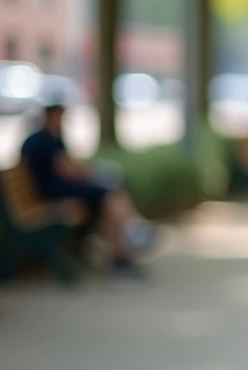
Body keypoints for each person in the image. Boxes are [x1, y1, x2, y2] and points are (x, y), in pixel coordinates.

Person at [20, 100, 154, 279]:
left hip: (58, 191)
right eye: (59, 115)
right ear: (49, 116)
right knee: (109, 194)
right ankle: (132, 234)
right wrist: (94, 173)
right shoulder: (42, 140)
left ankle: (124, 250)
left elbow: (69, 166)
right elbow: (66, 169)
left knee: (109, 196)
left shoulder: (52, 137)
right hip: (50, 195)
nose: (62, 120)